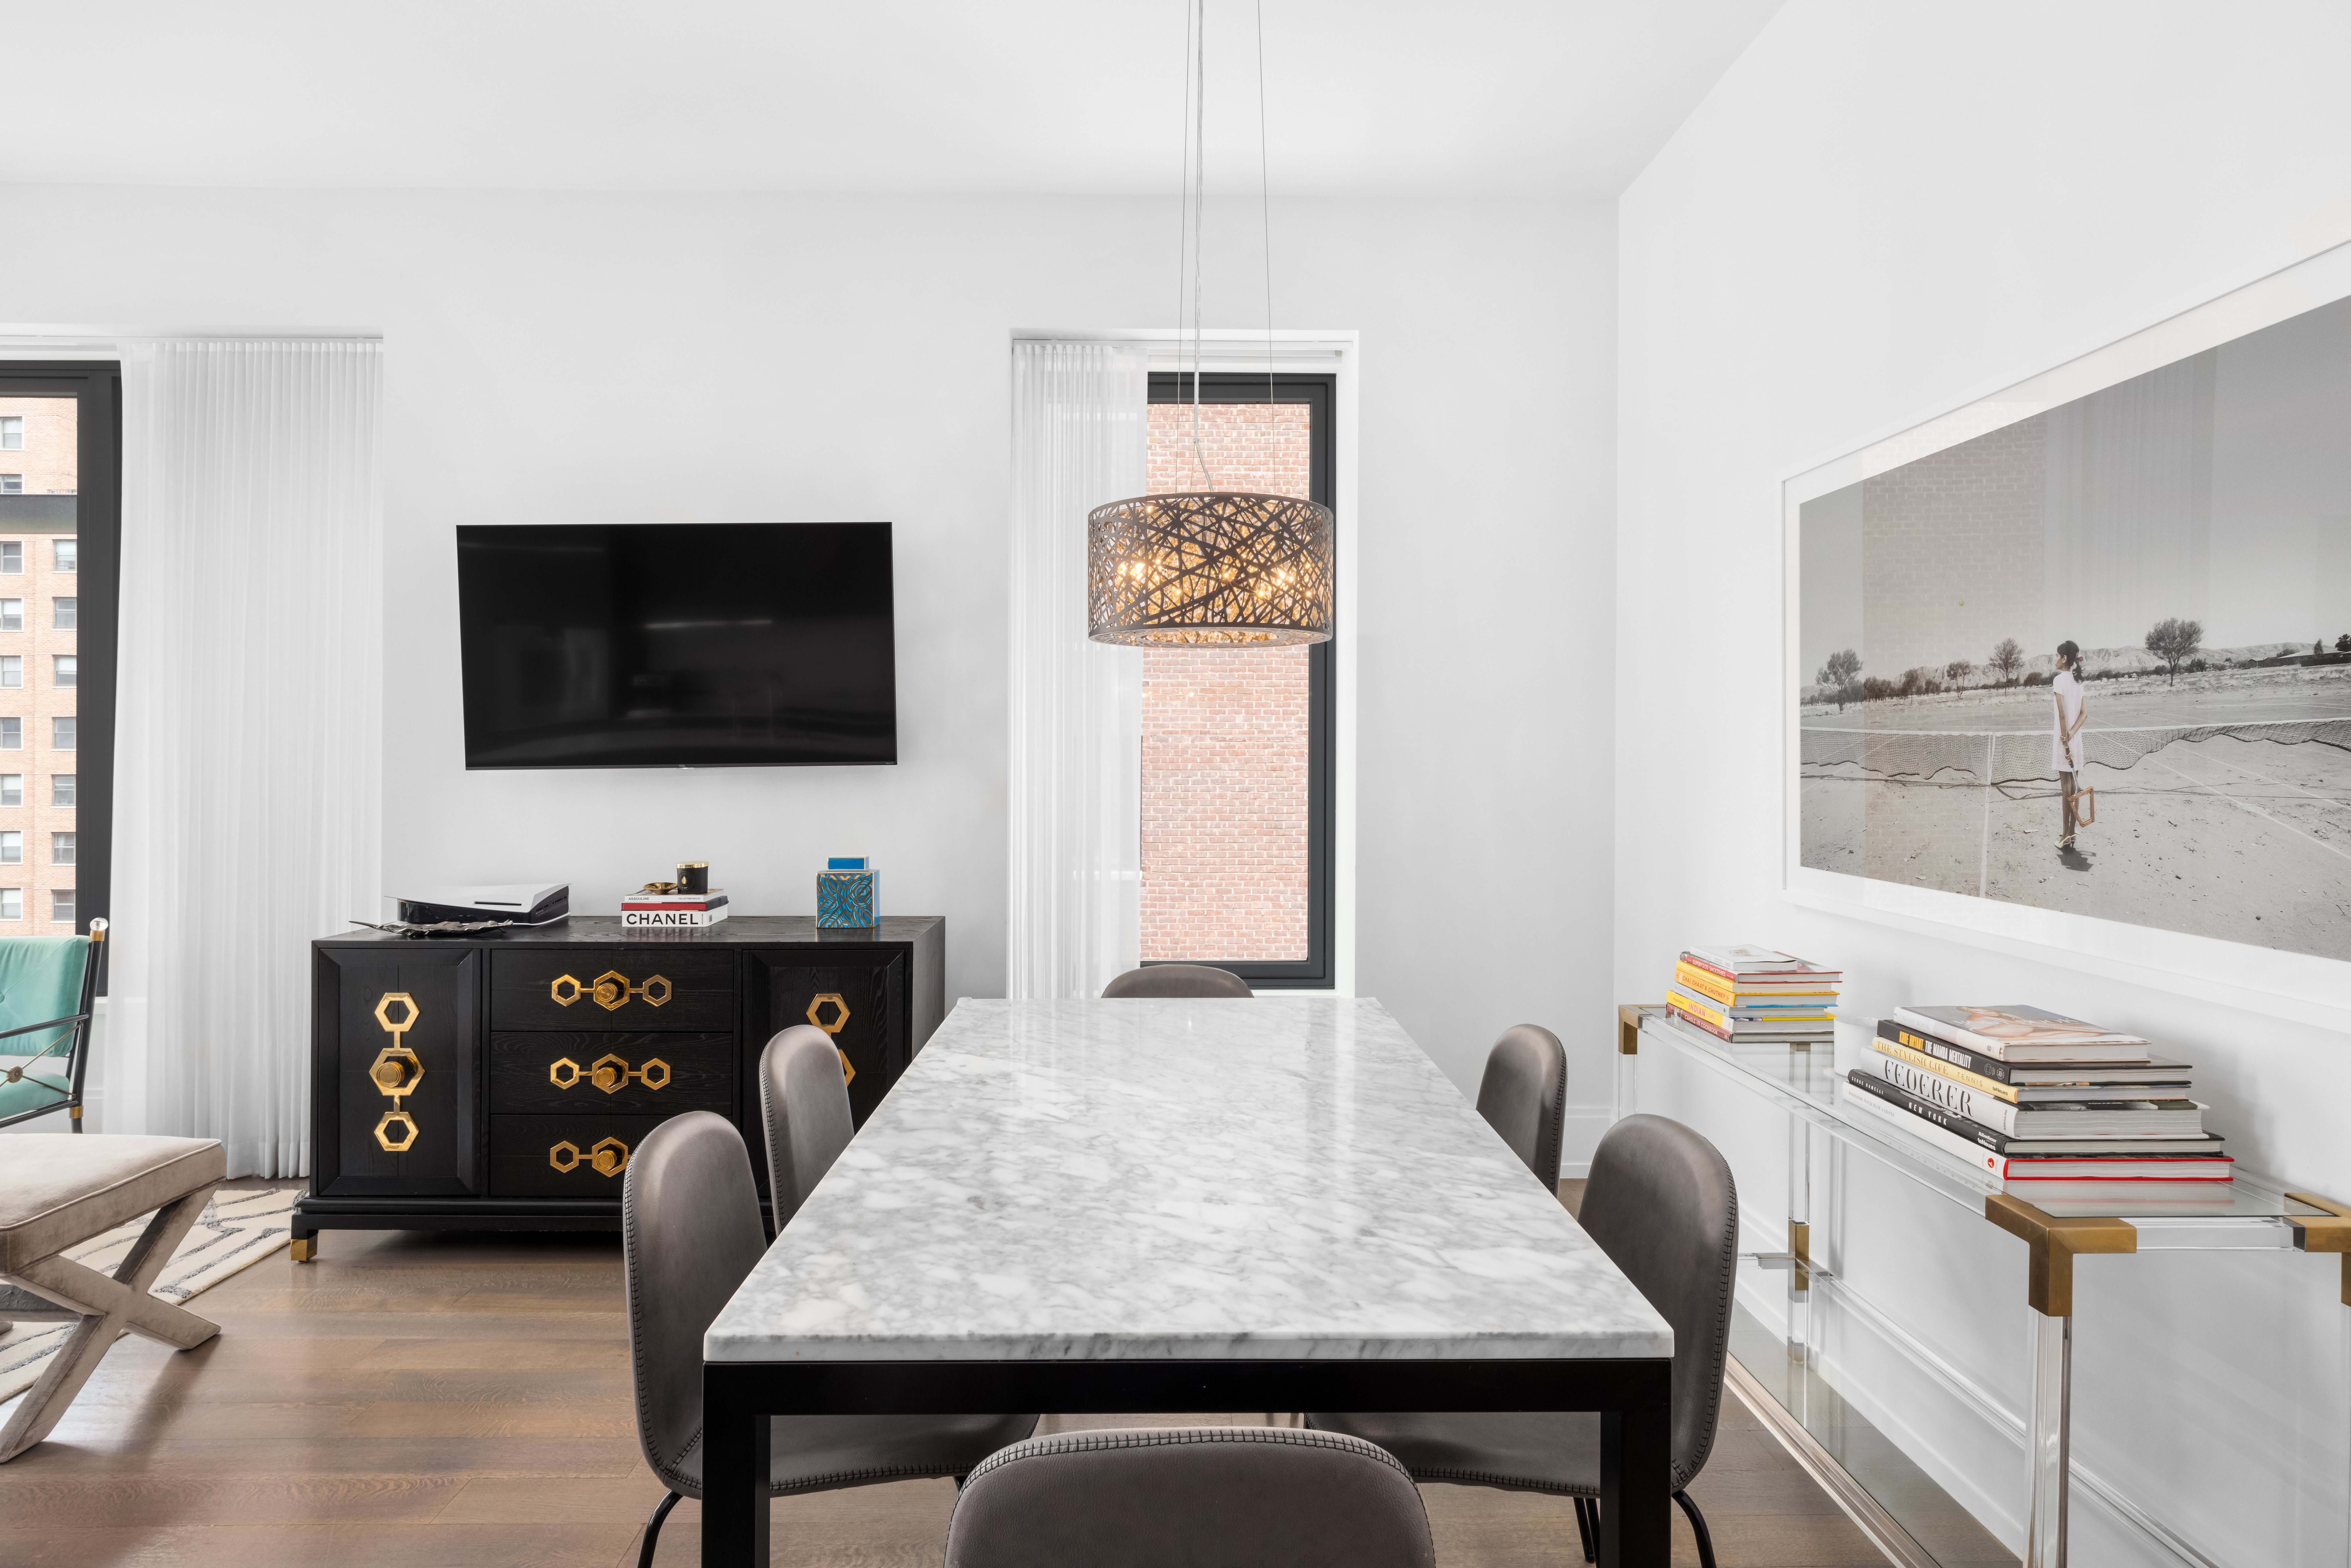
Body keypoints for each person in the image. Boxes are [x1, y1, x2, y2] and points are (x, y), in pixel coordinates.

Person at [2051, 641, 2088, 848]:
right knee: (2073, 786)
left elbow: (2063, 714)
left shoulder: (2059, 681)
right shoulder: (2079, 681)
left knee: (2067, 788)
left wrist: (2066, 744)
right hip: (2074, 739)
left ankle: (2066, 834)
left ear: (2065, 659)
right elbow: (2084, 714)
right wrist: (2072, 736)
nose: (2055, 659)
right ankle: (2071, 833)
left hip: (2064, 741)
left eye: (2057, 656)